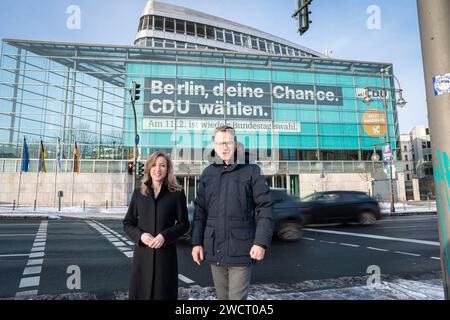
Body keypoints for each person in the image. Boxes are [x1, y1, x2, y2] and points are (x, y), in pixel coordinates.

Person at [191, 125, 273, 300]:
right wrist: (196, 243)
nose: (225, 147)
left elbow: (265, 207)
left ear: (235, 144)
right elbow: (200, 212)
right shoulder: (208, 174)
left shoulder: (251, 170)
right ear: (214, 145)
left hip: (241, 250)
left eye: (228, 142)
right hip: (214, 249)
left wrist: (261, 242)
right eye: (220, 143)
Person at [123, 151, 189, 300]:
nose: (157, 169)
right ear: (148, 168)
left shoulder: (177, 193)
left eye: (162, 165)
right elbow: (128, 223)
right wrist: (140, 235)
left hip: (165, 257)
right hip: (143, 257)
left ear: (168, 169)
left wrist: (164, 236)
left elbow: (184, 224)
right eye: (154, 165)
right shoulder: (139, 193)